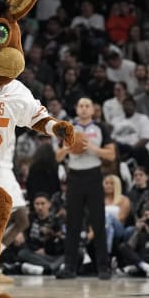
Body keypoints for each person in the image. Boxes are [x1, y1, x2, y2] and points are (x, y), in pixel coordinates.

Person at [55, 97, 116, 279]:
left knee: (98, 222)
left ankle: (103, 268)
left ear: (92, 110)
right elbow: (57, 157)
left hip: (94, 176)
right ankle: (69, 267)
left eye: (87, 106)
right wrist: (68, 147)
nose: (83, 109)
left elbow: (111, 155)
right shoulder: (67, 128)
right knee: (72, 223)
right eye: (80, 105)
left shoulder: (101, 128)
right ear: (76, 108)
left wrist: (91, 147)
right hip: (74, 176)